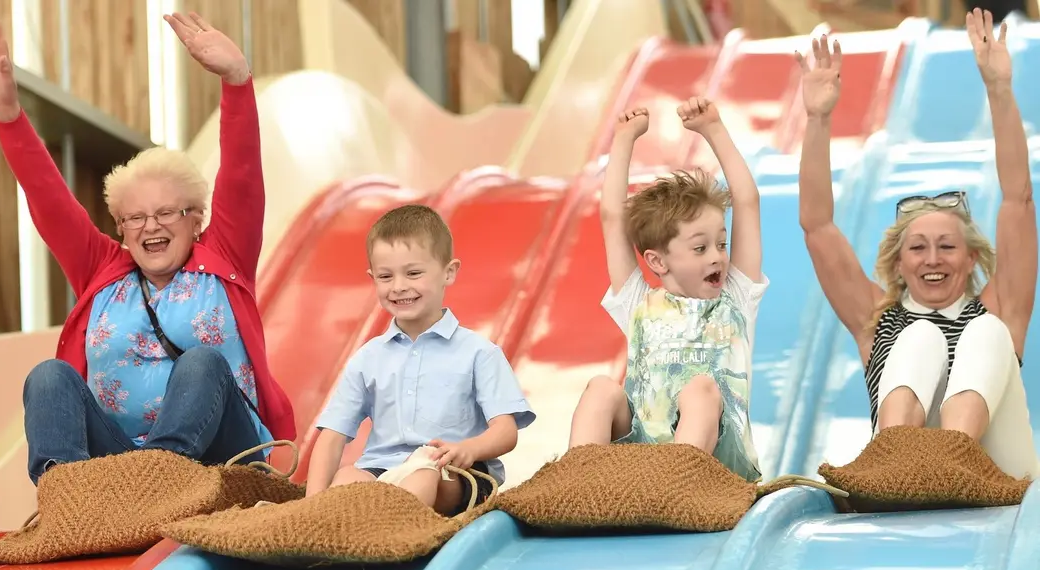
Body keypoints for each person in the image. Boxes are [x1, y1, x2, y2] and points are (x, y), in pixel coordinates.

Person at [0, 13, 296, 484]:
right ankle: (69, 495)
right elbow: (49, 201)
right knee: (48, 377)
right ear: (121, 228)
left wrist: (236, 82)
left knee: (201, 363)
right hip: (123, 464)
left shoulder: (224, 257)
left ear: (196, 219)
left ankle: (158, 481)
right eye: (136, 218)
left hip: (223, 458)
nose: (151, 227)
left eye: (167, 213)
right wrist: (9, 117)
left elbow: (243, 178)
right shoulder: (104, 271)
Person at [796, 12, 1039, 478]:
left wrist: (999, 90)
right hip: (903, 473)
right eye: (918, 248)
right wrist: (817, 119)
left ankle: (954, 459)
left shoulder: (1000, 306)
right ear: (899, 262)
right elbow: (817, 226)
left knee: (988, 333)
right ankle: (897, 468)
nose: (932, 259)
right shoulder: (877, 319)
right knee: (919, 335)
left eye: (947, 247)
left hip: (994, 472)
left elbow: (1018, 200)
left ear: (970, 260)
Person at [566, 97, 768, 483]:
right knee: (601, 389)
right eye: (700, 248)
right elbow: (612, 217)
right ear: (658, 261)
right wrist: (623, 139)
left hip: (717, 464)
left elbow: (747, 202)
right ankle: (579, 484)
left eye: (721, 244)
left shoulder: (736, 300)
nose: (717, 257)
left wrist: (714, 130)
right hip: (643, 455)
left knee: (701, 390)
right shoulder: (640, 304)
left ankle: (673, 488)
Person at [306, 205, 536, 515]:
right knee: (346, 477)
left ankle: (391, 534)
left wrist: (468, 449)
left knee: (424, 476)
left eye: (413, 273)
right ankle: (338, 526)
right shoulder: (368, 358)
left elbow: (505, 431)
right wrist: (311, 504)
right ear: (372, 278)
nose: (399, 286)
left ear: (448, 272)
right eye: (386, 276)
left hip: (454, 471)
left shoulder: (479, 352)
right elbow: (332, 436)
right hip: (383, 471)